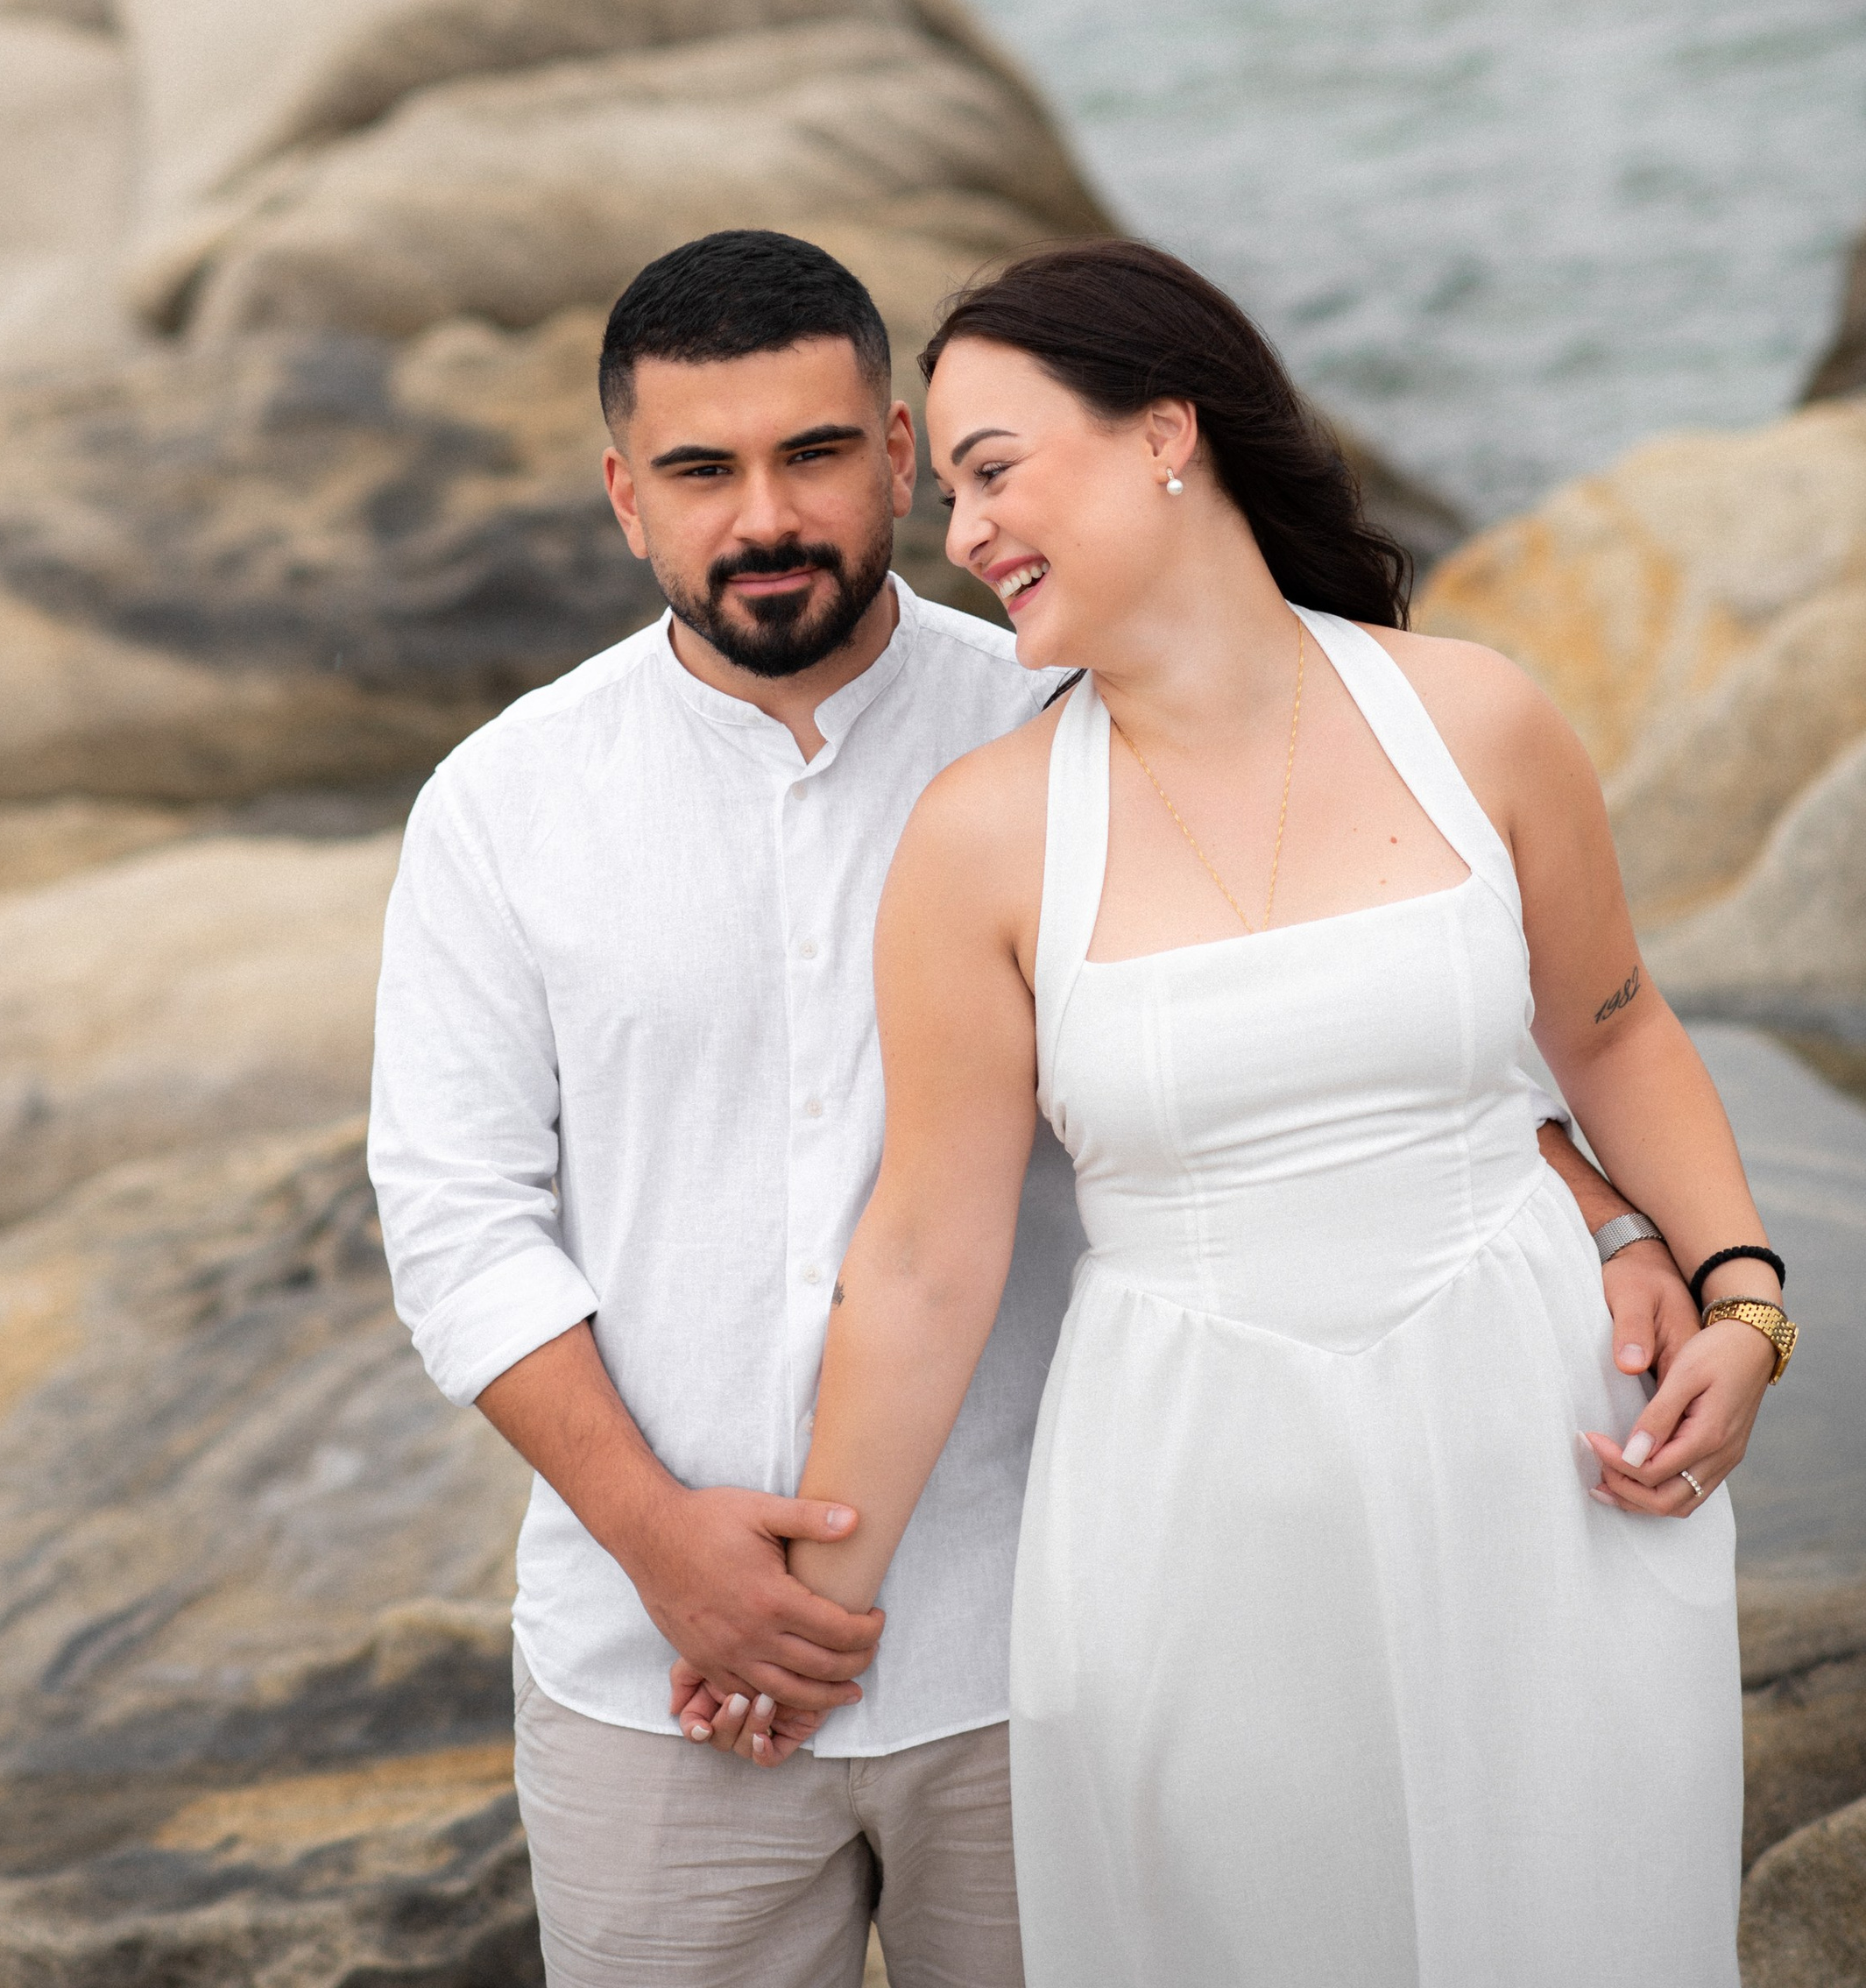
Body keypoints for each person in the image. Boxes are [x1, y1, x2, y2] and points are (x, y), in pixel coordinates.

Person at [369, 230, 1697, 1987]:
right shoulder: (502, 803)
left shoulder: (1075, 704)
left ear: (898, 459)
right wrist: (661, 1545)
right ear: (623, 495)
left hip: (1039, 1640)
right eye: (699, 470)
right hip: (651, 1672)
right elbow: (458, 1222)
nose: (760, 514)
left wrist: (1613, 1216)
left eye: (815, 454)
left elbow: (1335, 1031)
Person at [786, 237, 1790, 1988]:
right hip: (1192, 1497)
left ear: (1166, 428)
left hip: (1534, 1452)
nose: (962, 535)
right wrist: (810, 1604)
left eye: (992, 469)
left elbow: (1613, 1031)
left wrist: (1739, 1296)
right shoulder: (979, 836)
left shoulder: (1472, 714)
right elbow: (928, 1253)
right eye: (945, 491)